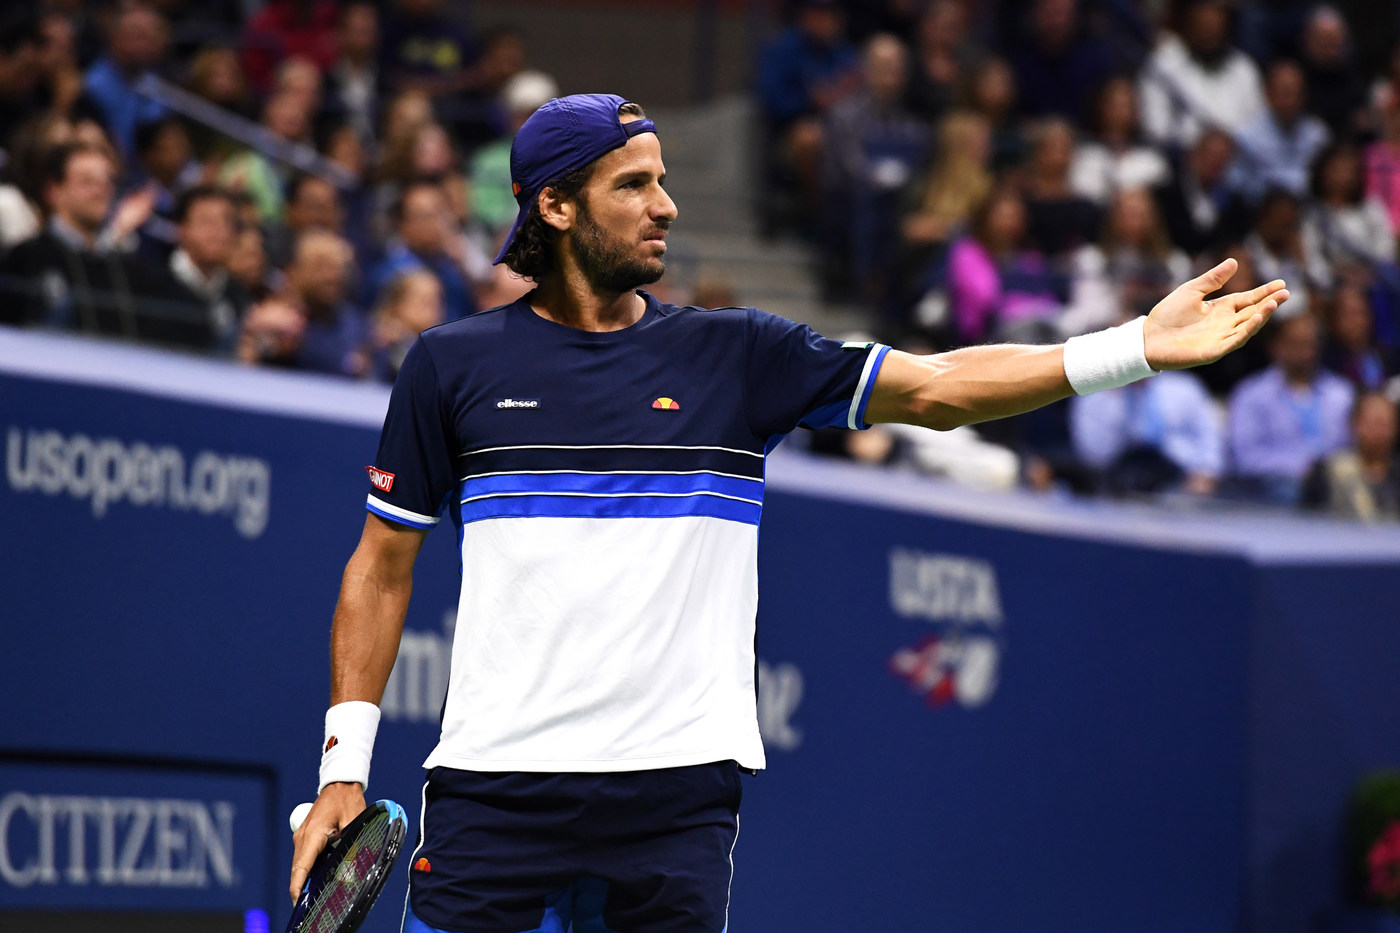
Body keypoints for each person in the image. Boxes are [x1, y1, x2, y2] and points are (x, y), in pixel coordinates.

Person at [287, 93, 1287, 933]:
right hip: (495, 798)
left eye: (664, 179)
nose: (664, 205)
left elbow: (937, 387)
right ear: (552, 204)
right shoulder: (451, 368)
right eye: (631, 184)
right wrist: (343, 770)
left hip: (675, 805)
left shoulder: (740, 356)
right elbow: (380, 567)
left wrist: (1132, 349)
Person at [1227, 311, 1353, 504]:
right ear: (1276, 346)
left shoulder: (1341, 393)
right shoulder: (1252, 394)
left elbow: (1352, 446)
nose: (1303, 353)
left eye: (1309, 344)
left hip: (1336, 481)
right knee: (1288, 489)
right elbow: (1246, 457)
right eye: (1294, 344)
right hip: (1274, 484)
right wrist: (1301, 468)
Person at [1301, 391, 1400, 521]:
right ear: (1355, 424)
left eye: (1384, 424)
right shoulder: (1327, 471)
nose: (1378, 431)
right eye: (1372, 423)